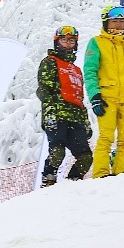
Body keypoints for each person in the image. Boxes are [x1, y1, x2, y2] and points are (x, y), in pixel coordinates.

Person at [84, 4, 124, 177]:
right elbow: (90, 72)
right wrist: (95, 96)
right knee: (106, 137)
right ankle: (101, 174)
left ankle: (121, 175)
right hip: (106, 98)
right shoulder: (96, 43)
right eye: (114, 21)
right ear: (106, 22)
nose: (118, 25)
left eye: (121, 21)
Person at [36, 26, 93, 186]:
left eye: (71, 41)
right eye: (64, 40)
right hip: (57, 116)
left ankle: (70, 185)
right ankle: (48, 181)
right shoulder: (50, 62)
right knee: (57, 152)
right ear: (57, 42)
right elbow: (43, 90)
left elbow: (79, 98)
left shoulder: (76, 70)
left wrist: (86, 122)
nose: (67, 43)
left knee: (85, 157)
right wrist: (50, 113)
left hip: (76, 119)